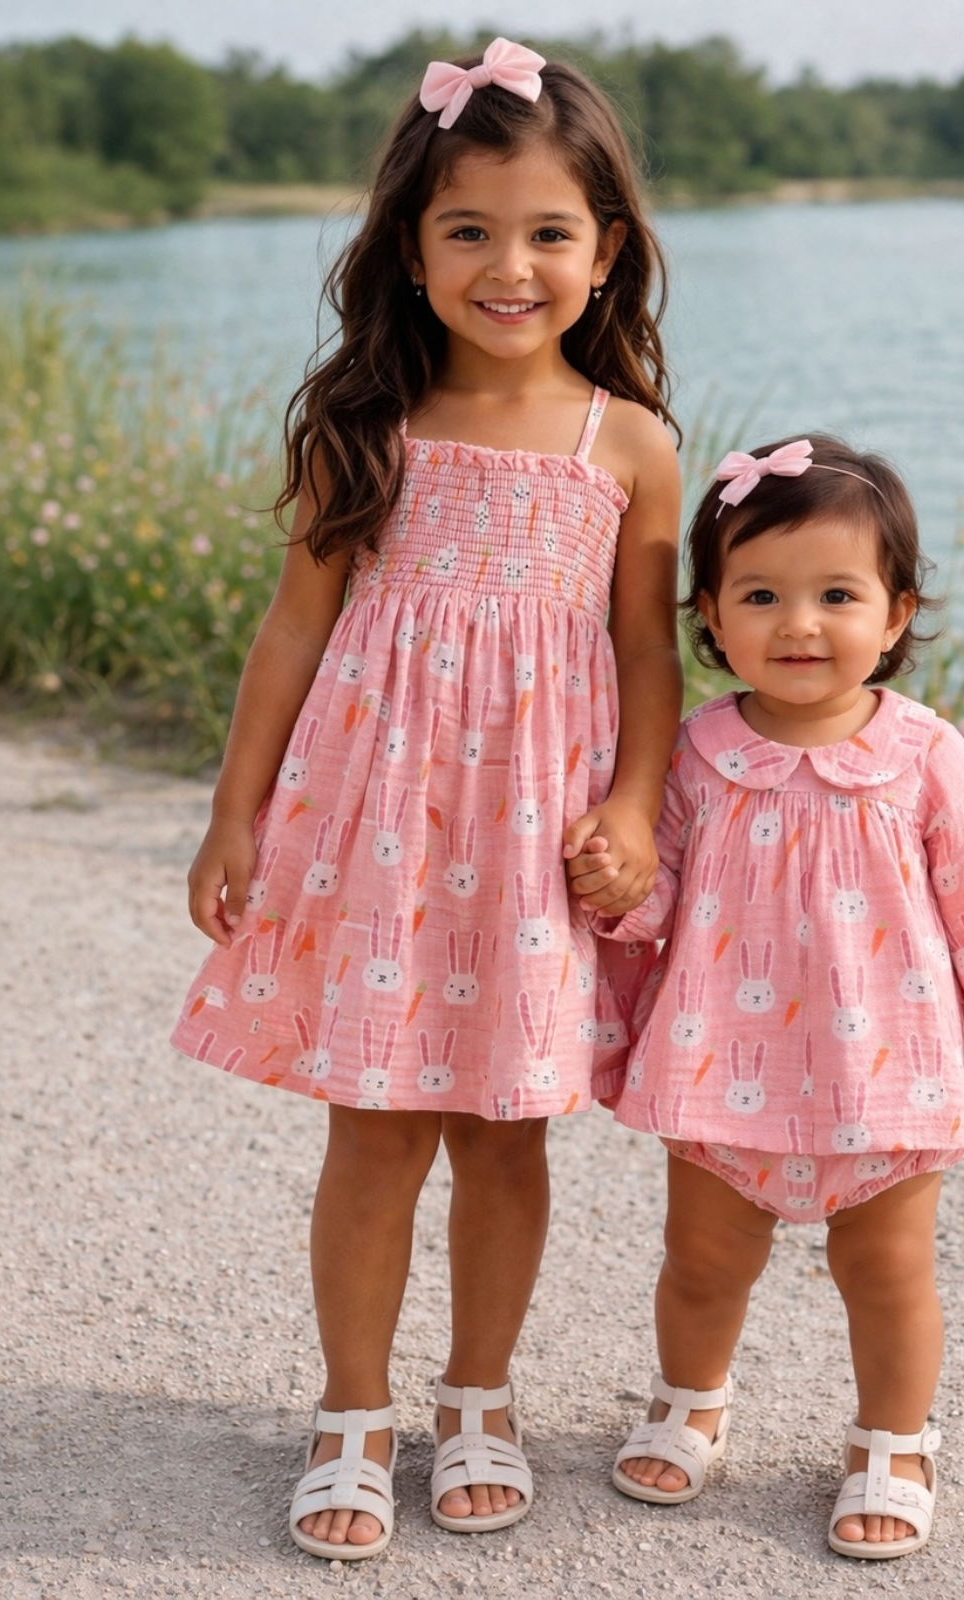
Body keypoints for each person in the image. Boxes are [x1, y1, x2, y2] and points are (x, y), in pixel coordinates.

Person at [172, 37, 681, 1562]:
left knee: (507, 1135)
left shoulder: (630, 446)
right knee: (376, 1132)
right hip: (380, 839)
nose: (507, 264)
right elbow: (292, 634)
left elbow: (647, 655)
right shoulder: (367, 426)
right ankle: (351, 1409)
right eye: (469, 229)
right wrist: (233, 811)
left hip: (532, 847)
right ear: (411, 247)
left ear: (605, 255)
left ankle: (478, 1395)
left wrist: (640, 810)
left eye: (546, 233)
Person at [566, 434, 964, 1560]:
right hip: (720, 1063)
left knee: (886, 1271)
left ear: (894, 615)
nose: (800, 624)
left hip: (886, 1072)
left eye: (837, 594)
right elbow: (659, 893)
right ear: (711, 617)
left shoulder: (924, 753)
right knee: (702, 1261)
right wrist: (614, 885)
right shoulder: (696, 753)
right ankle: (692, 1397)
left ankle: (893, 1437)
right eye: (763, 595)